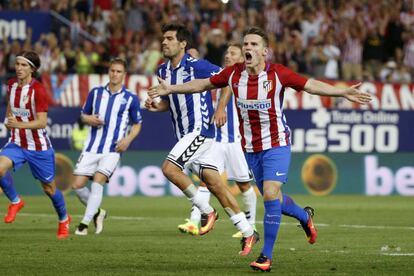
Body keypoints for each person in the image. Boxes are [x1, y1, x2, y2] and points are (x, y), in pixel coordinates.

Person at [149, 27, 372, 272]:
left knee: (269, 193)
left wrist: (343, 91)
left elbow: (310, 85)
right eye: (246, 44)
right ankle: (304, 216)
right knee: (274, 198)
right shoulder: (234, 74)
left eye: (254, 44)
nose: (248, 48)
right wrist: (170, 89)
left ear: (264, 52)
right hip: (251, 148)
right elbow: (201, 85)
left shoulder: (278, 74)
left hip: (277, 144)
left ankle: (266, 256)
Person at [145, 23, 259, 256]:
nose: (164, 42)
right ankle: (248, 232)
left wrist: (220, 108)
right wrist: (158, 108)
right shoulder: (162, 71)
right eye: (163, 38)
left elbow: (227, 79)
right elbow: (172, 101)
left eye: (169, 38)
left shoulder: (198, 66)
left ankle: (207, 212)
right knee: (216, 186)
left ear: (183, 44)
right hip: (185, 135)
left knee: (169, 168)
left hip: (200, 131)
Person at [177, 43, 258, 238]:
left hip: (235, 141)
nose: (228, 56)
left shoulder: (242, 78)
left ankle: (251, 225)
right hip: (215, 140)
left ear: (241, 58)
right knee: (206, 182)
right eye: (227, 53)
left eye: (233, 53)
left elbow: (231, 89)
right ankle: (194, 221)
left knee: (244, 185)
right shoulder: (219, 76)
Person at [0, 51, 71, 239]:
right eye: (17, 64)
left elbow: (41, 122)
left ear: (32, 69)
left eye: (24, 65)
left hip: (38, 147)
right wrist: (9, 118)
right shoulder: (11, 85)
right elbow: (10, 105)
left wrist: (18, 124)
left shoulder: (38, 90)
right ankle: (16, 201)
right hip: (16, 142)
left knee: (49, 188)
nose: (19, 68)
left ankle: (64, 219)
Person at [72, 57, 142, 235]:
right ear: (108, 72)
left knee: (98, 181)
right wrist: (90, 119)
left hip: (113, 149)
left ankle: (84, 225)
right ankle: (98, 212)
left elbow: (137, 124)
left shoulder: (130, 99)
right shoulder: (95, 93)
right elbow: (82, 115)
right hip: (91, 147)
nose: (115, 74)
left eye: (119, 71)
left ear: (124, 75)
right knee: (77, 185)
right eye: (112, 70)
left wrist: (127, 140)